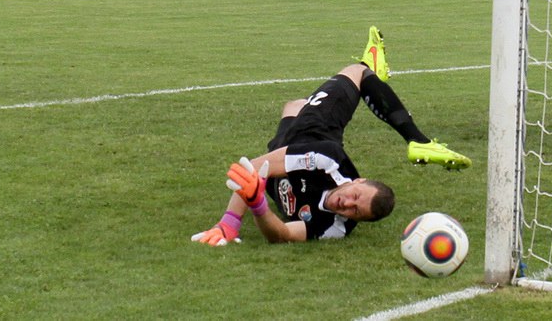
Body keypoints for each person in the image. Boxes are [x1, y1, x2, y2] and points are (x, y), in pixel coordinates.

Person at [192, 28, 471, 246]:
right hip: (314, 135)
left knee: (293, 106)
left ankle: (373, 72)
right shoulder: (327, 160)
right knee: (358, 73)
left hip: (288, 150)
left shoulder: (337, 227)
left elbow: (280, 235)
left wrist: (258, 205)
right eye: (355, 195)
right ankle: (417, 139)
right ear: (357, 181)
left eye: (355, 211)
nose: (347, 204)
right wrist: (229, 223)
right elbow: (250, 167)